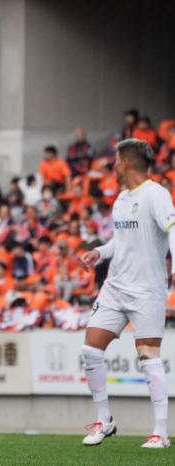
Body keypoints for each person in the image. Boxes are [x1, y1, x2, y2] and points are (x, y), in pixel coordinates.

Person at [79, 138, 175, 448]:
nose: (114, 165)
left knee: (148, 356)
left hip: (146, 289)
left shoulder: (156, 194)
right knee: (91, 350)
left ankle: (160, 432)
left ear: (128, 163)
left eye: (117, 161)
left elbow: (173, 229)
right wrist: (100, 252)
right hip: (115, 286)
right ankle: (104, 420)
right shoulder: (121, 198)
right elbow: (120, 242)